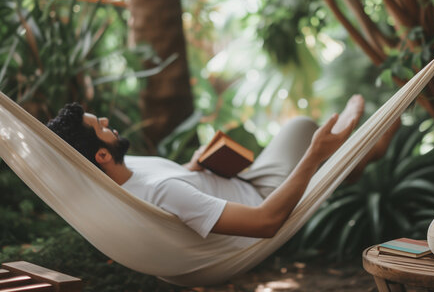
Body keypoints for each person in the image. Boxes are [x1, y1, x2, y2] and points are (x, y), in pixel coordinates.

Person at [47, 95, 364, 245]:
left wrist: (194, 166)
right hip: (264, 198)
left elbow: (175, 182)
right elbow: (266, 223)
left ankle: (354, 163)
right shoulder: (161, 194)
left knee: (302, 125)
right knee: (308, 134)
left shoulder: (125, 171)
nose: (105, 121)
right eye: (98, 126)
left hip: (241, 180)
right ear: (102, 154)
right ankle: (359, 155)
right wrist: (314, 156)